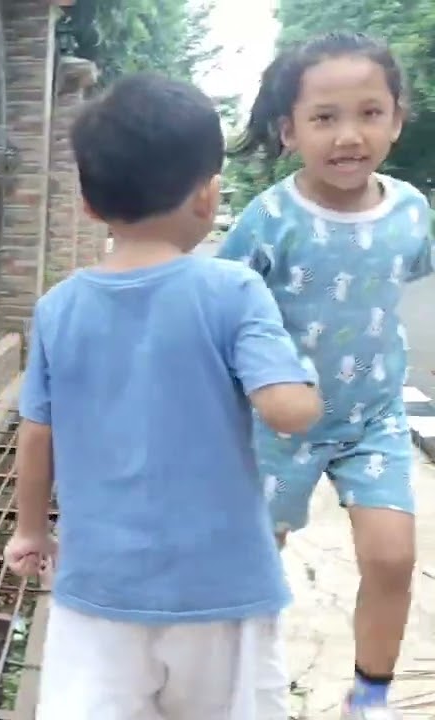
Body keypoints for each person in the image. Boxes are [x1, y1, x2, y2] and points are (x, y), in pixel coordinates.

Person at [5, 72, 324, 719]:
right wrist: (310, 384)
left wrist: (30, 531)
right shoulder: (233, 292)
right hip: (222, 590)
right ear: (208, 197)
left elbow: (38, 435)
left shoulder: (57, 308)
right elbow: (288, 411)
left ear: (91, 206)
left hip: (98, 590)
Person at [217, 31, 434, 719]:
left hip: (374, 419)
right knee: (255, 564)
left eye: (370, 113)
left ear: (398, 119)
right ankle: (239, 684)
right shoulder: (270, 219)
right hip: (278, 424)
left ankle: (368, 697)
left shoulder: (411, 212)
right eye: (324, 117)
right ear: (288, 131)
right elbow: (219, 307)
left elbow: (413, 293)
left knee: (393, 558)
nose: (349, 135)